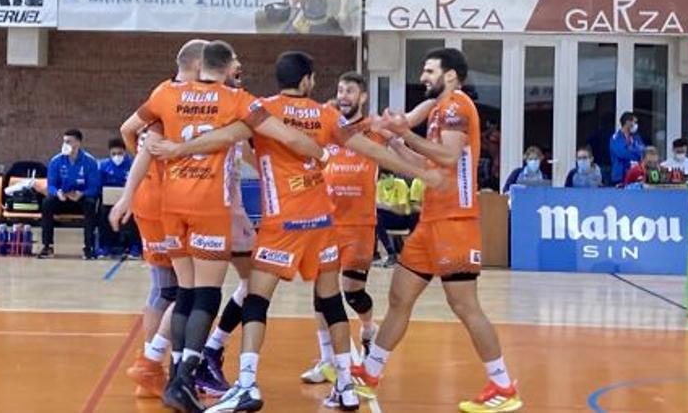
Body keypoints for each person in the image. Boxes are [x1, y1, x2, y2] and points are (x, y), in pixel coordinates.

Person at [155, 52, 430, 412]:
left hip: (282, 225)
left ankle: (247, 383)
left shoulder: (261, 108)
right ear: (307, 81)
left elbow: (224, 136)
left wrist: (179, 148)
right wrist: (425, 175)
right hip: (322, 223)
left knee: (256, 301)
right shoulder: (326, 114)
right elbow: (371, 151)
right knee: (331, 302)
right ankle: (346, 386)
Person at [128, 41, 325, 411]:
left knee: (182, 292)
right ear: (219, 65)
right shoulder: (235, 100)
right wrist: (321, 151)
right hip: (212, 206)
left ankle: (166, 368)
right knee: (213, 292)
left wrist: (138, 187)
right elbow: (284, 137)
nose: (240, 65)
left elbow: (133, 131)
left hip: (171, 204)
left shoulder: (166, 93)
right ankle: (192, 368)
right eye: (236, 60)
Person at [354, 48, 523, 413]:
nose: (423, 77)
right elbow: (427, 160)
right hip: (430, 221)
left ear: (450, 75)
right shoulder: (437, 113)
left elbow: (447, 157)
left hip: (454, 222)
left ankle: (503, 384)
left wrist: (404, 133)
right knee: (399, 297)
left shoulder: (456, 106)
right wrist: (397, 141)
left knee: (465, 306)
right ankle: (369, 374)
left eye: (429, 70)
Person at [112, 40, 207, 398]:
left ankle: (156, 363)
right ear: (198, 65)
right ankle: (152, 364)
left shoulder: (167, 93)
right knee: (173, 288)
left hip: (160, 197)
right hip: (161, 201)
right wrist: (152, 164)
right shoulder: (176, 96)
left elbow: (126, 128)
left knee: (167, 287)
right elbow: (129, 132)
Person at [299, 72, 384, 384]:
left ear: (362, 97)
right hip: (327, 223)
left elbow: (400, 144)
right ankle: (327, 361)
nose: (344, 95)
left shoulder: (374, 130)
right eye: (339, 89)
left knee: (353, 294)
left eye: (350, 90)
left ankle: (368, 328)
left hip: (360, 225)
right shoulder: (328, 127)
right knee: (321, 293)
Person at [39, 129, 102, 260]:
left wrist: (82, 194)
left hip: (80, 198)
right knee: (47, 203)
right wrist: (57, 193)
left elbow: (94, 187)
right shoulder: (56, 161)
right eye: (64, 141)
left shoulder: (90, 162)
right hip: (63, 198)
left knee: (90, 204)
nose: (65, 144)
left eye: (68, 141)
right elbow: (51, 185)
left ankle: (88, 248)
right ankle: (47, 245)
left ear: (78, 143)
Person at [609, 111, 645, 185]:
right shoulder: (616, 137)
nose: (636, 125)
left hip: (636, 175)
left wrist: (629, 149)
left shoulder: (636, 137)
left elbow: (643, 151)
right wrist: (635, 151)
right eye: (635, 122)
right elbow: (622, 153)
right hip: (620, 176)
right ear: (628, 122)